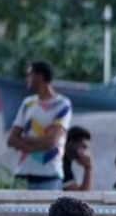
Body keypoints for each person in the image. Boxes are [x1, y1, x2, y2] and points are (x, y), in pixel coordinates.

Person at [7, 60, 72, 190]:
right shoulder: (27, 103)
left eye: (29, 74)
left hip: (50, 176)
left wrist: (24, 140)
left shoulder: (62, 105)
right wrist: (38, 145)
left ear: (40, 76)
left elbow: (50, 141)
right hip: (23, 175)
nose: (27, 78)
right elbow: (11, 139)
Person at [62, 126, 94, 191]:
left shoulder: (66, 163)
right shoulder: (62, 164)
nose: (86, 153)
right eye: (83, 147)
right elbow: (82, 195)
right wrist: (88, 168)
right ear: (71, 144)